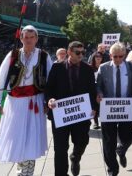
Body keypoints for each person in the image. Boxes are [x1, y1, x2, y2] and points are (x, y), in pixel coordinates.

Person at [0, 25, 53, 176]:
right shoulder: (12, 55)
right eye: (26, 37)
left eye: (32, 37)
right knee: (17, 135)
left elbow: (50, 81)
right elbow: (2, 81)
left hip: (35, 101)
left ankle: (27, 171)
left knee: (31, 136)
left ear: (37, 39)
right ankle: (21, 168)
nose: (29, 40)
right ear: (21, 38)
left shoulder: (44, 56)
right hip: (15, 102)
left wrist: (47, 101)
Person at [45, 41, 98, 176]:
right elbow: (49, 88)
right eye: (77, 52)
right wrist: (50, 100)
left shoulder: (87, 69)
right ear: (69, 52)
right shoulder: (57, 68)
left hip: (81, 115)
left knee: (82, 142)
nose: (81, 55)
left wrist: (94, 107)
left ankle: (75, 157)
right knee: (60, 148)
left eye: (83, 53)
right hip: (60, 115)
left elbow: (92, 91)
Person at [96, 43, 132, 176]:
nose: (118, 59)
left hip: (126, 109)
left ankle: (121, 150)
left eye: (121, 56)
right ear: (110, 56)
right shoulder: (103, 68)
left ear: (125, 55)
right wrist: (99, 94)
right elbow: (98, 85)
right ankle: (112, 169)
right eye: (115, 57)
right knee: (109, 141)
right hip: (108, 110)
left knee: (128, 136)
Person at [90, 52, 104, 129]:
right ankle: (95, 122)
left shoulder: (105, 67)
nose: (98, 58)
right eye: (96, 56)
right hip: (93, 89)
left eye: (100, 56)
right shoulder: (90, 67)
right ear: (93, 58)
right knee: (94, 105)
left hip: (102, 89)